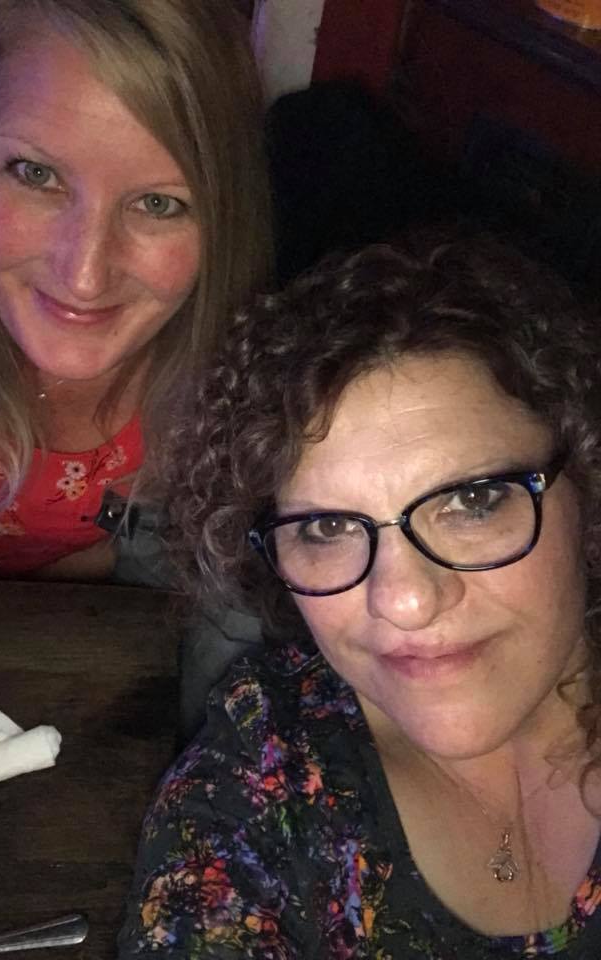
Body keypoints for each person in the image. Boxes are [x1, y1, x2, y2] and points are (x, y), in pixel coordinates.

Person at [119, 235, 601, 957]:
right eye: (328, 527)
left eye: (471, 501)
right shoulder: (256, 785)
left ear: (586, 484)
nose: (404, 601)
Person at [0, 0, 271, 579]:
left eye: (158, 204)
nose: (84, 278)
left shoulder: (231, 359)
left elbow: (91, 551)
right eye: (36, 174)